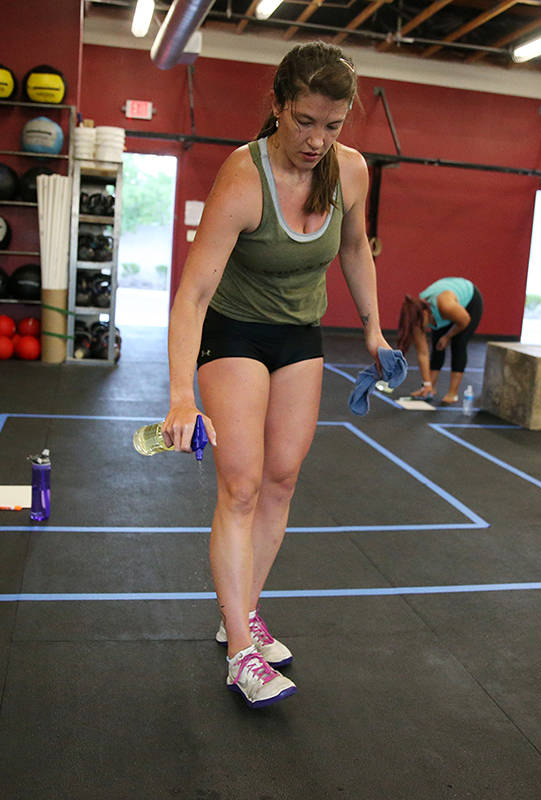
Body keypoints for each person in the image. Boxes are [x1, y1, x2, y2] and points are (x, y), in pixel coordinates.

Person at [161, 42, 390, 709]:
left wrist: (373, 329)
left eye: (332, 124)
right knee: (240, 485)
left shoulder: (351, 172)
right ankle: (239, 647)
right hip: (233, 330)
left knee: (282, 479)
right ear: (278, 107)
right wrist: (181, 395)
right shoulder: (242, 175)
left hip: (299, 333)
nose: (317, 139)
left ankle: (245, 608)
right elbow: (193, 295)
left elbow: (355, 251)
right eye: (303, 121)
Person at [395, 277, 483, 404]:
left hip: (469, 302)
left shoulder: (445, 306)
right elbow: (423, 353)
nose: (421, 327)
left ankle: (453, 393)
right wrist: (426, 383)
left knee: (459, 343)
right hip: (442, 311)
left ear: (425, 313)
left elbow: (465, 321)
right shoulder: (416, 318)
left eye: (420, 323)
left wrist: (448, 336)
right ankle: (430, 388)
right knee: (437, 344)